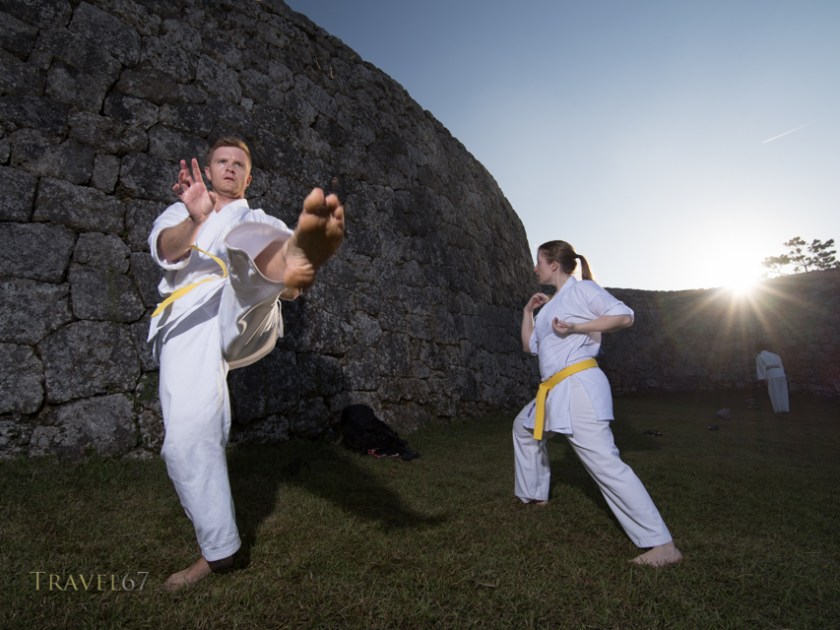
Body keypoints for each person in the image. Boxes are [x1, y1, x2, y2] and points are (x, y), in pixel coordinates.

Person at [147, 137, 345, 592]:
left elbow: (293, 292)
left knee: (249, 251)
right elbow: (166, 249)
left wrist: (289, 273)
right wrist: (197, 219)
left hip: (243, 315)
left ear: (248, 177)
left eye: (240, 164)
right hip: (188, 325)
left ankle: (283, 256)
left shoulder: (257, 218)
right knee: (184, 441)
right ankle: (219, 551)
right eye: (223, 161)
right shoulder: (181, 210)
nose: (231, 169)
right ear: (210, 168)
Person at [512, 240, 682, 567]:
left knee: (605, 463)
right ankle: (535, 494)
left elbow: (624, 316)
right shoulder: (549, 306)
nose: (535, 268)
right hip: (554, 390)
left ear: (553, 265)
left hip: (578, 388)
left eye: (539, 262)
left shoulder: (583, 291)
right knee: (523, 428)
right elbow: (528, 346)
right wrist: (528, 312)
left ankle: (662, 545)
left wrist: (578, 326)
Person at [755, 343, 789, 413]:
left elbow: (761, 368)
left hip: (771, 375)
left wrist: (764, 378)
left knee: (774, 392)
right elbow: (781, 365)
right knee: (783, 391)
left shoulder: (760, 356)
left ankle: (778, 409)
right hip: (781, 374)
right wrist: (783, 374)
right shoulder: (775, 355)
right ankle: (785, 408)